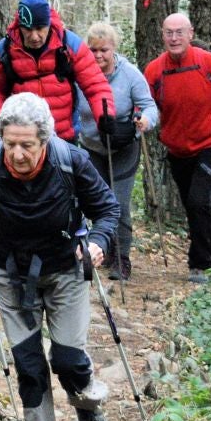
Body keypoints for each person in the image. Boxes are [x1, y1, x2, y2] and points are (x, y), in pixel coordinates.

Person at [0, 93, 122, 421]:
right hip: (8, 273)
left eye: (27, 145)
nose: (18, 154)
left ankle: (88, 411)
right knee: (28, 364)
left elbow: (107, 209)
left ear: (45, 140)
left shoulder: (71, 161)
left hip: (64, 269)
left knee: (68, 359)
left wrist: (98, 242)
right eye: (10, 144)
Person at [144, 12, 211, 283]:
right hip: (178, 150)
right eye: (169, 32)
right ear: (163, 35)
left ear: (191, 34)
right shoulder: (155, 70)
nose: (174, 37)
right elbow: (146, 105)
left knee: (197, 200)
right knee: (196, 206)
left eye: (179, 32)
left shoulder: (210, 64)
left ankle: (198, 263)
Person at [72, 20, 157, 280]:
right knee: (91, 201)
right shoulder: (79, 75)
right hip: (91, 147)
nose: (98, 55)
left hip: (124, 147)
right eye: (94, 50)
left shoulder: (130, 75)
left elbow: (149, 106)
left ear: (114, 49)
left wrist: (144, 120)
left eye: (104, 50)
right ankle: (100, 250)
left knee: (118, 202)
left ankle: (122, 257)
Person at [0, 0, 115, 144]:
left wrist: (105, 115)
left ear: (49, 23)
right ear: (20, 26)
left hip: (64, 137)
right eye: (28, 29)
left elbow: (95, 84)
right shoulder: (6, 49)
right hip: (23, 139)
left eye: (40, 29)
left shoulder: (69, 44)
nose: (34, 36)